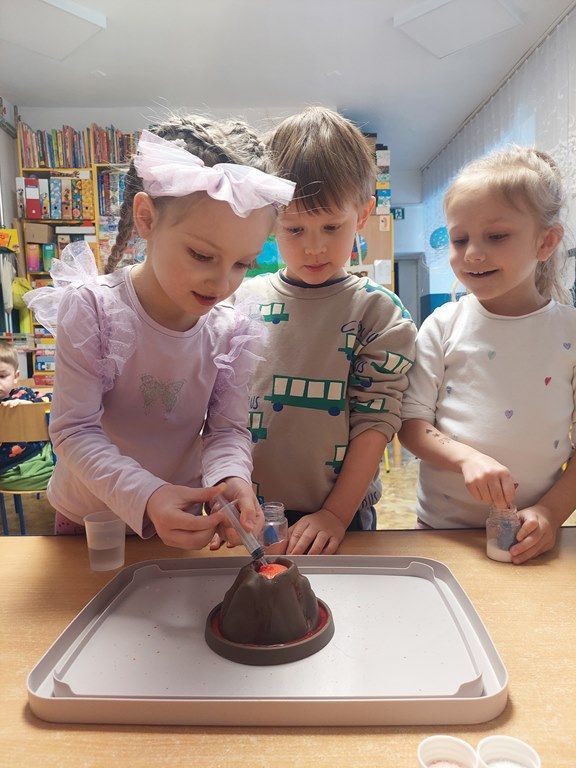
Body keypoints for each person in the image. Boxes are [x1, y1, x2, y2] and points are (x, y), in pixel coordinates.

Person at [24, 115, 295, 547]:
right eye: (201, 255)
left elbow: (226, 430)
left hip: (179, 519)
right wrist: (147, 496)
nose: (221, 282)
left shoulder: (231, 331)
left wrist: (231, 479)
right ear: (147, 218)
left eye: (243, 263)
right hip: (90, 519)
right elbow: (74, 430)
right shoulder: (93, 309)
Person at [232, 107, 416, 555]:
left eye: (331, 227)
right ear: (270, 219)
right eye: (294, 229)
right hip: (249, 512)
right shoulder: (240, 299)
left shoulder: (379, 312)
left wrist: (336, 512)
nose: (314, 247)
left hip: (341, 515)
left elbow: (375, 421)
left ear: (363, 214)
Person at [399, 145, 576, 564]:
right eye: (459, 239)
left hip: (533, 534)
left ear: (546, 242)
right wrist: (466, 458)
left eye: (496, 237)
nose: (473, 253)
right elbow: (411, 424)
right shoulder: (442, 325)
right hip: (443, 533)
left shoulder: (569, 331)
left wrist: (550, 513)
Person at [0, 340, 53, 491]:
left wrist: (32, 404)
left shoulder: (24, 393)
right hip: (8, 469)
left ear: (15, 376)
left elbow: (52, 398)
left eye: (2, 376)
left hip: (34, 457)